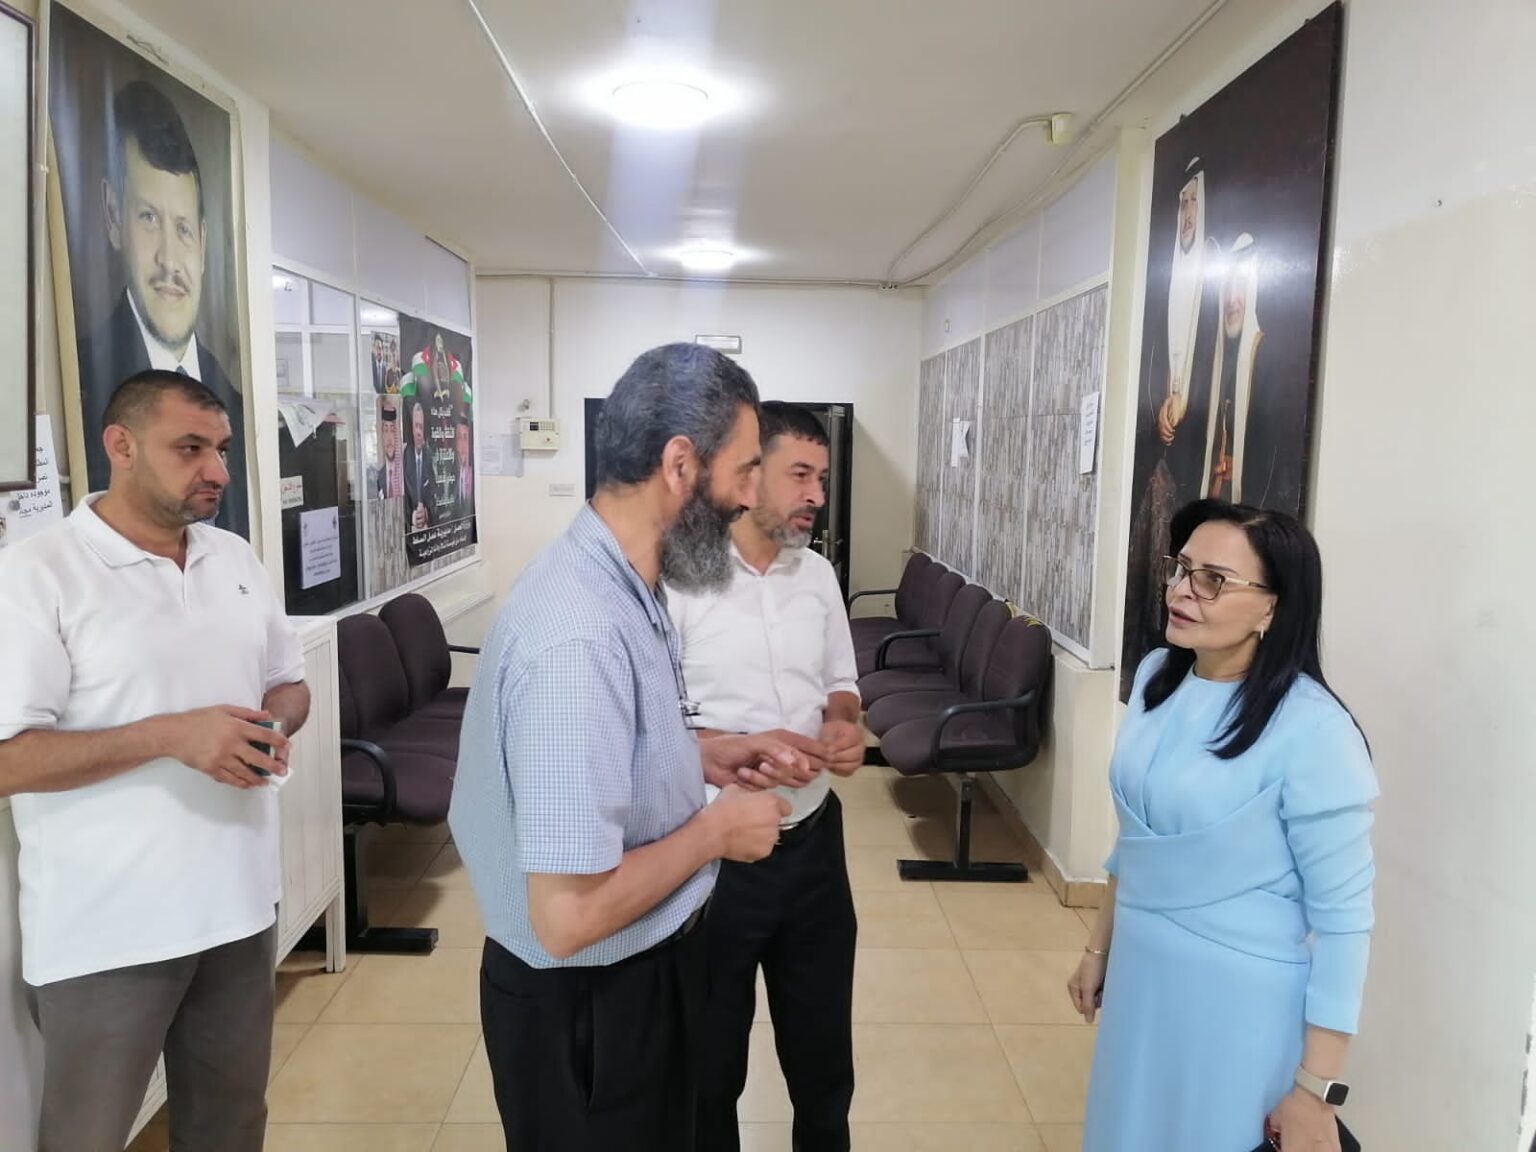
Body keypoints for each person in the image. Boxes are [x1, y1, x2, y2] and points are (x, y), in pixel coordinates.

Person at [449, 343, 820, 1151]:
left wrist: (703, 756)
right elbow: (567, 917)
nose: (751, 496)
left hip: (638, 984)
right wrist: (716, 832)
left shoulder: (627, 584)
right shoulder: (578, 635)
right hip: (593, 1012)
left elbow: (611, 756)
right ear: (680, 465)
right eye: (745, 470)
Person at [0, 369, 310, 1152]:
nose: (218, 471)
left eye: (222, 449)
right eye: (190, 448)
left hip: (241, 908)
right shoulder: (38, 573)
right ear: (122, 445)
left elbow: (289, 682)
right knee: (87, 1135)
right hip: (108, 929)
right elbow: (8, 760)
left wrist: (267, 728)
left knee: (229, 1126)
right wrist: (171, 736)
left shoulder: (233, 557)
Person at [1071, 499, 1376, 1152]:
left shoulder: (1315, 731)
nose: (1182, 590)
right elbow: (1136, 842)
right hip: (1142, 978)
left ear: (1272, 608)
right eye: (1182, 568)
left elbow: (1345, 924)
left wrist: (1314, 1092)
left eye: (1213, 580)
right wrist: (1099, 949)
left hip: (1236, 1007)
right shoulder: (1157, 676)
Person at [667, 401, 866, 1152]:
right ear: (749, 477)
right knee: (709, 1065)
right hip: (714, 854)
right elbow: (653, 726)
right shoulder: (678, 580)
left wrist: (843, 725)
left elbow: (841, 683)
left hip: (812, 844)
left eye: (823, 478)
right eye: (800, 475)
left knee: (823, 1062)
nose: (816, 495)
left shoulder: (817, 576)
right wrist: (738, 747)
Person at [75, 80, 248, 538]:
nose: (170, 260)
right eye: (148, 218)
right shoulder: (81, 388)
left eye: (184, 229)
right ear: (114, 216)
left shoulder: (235, 401)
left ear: (204, 242)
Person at [402, 398, 433, 530]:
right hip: (409, 528)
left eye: (421, 426)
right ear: (411, 429)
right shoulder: (404, 457)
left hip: (427, 528)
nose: (419, 432)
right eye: (416, 426)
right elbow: (399, 498)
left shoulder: (430, 457)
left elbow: (435, 495)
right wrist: (412, 515)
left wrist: (426, 512)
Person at [376, 395, 404, 499]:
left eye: (392, 430)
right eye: (385, 430)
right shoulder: (378, 475)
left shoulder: (403, 472)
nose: (389, 438)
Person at [453, 413, 474, 521]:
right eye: (459, 437)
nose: (462, 444)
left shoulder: (473, 475)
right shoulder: (450, 474)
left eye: (465, 438)